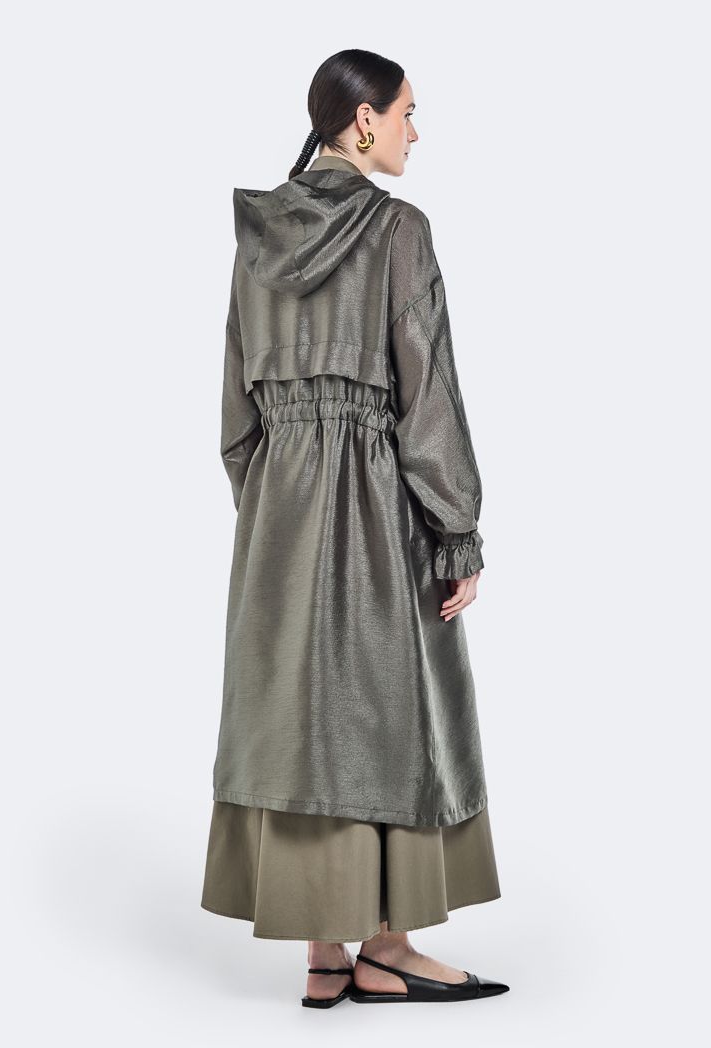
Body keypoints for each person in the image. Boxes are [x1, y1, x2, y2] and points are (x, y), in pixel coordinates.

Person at [201, 48, 510, 1008]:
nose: (417, 130)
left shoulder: (258, 238)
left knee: (298, 714)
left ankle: (326, 955)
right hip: (376, 504)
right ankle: (389, 947)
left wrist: (275, 508)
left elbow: (235, 418)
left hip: (277, 515)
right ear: (364, 119)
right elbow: (428, 395)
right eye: (408, 112)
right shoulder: (398, 230)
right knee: (388, 706)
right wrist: (456, 528)